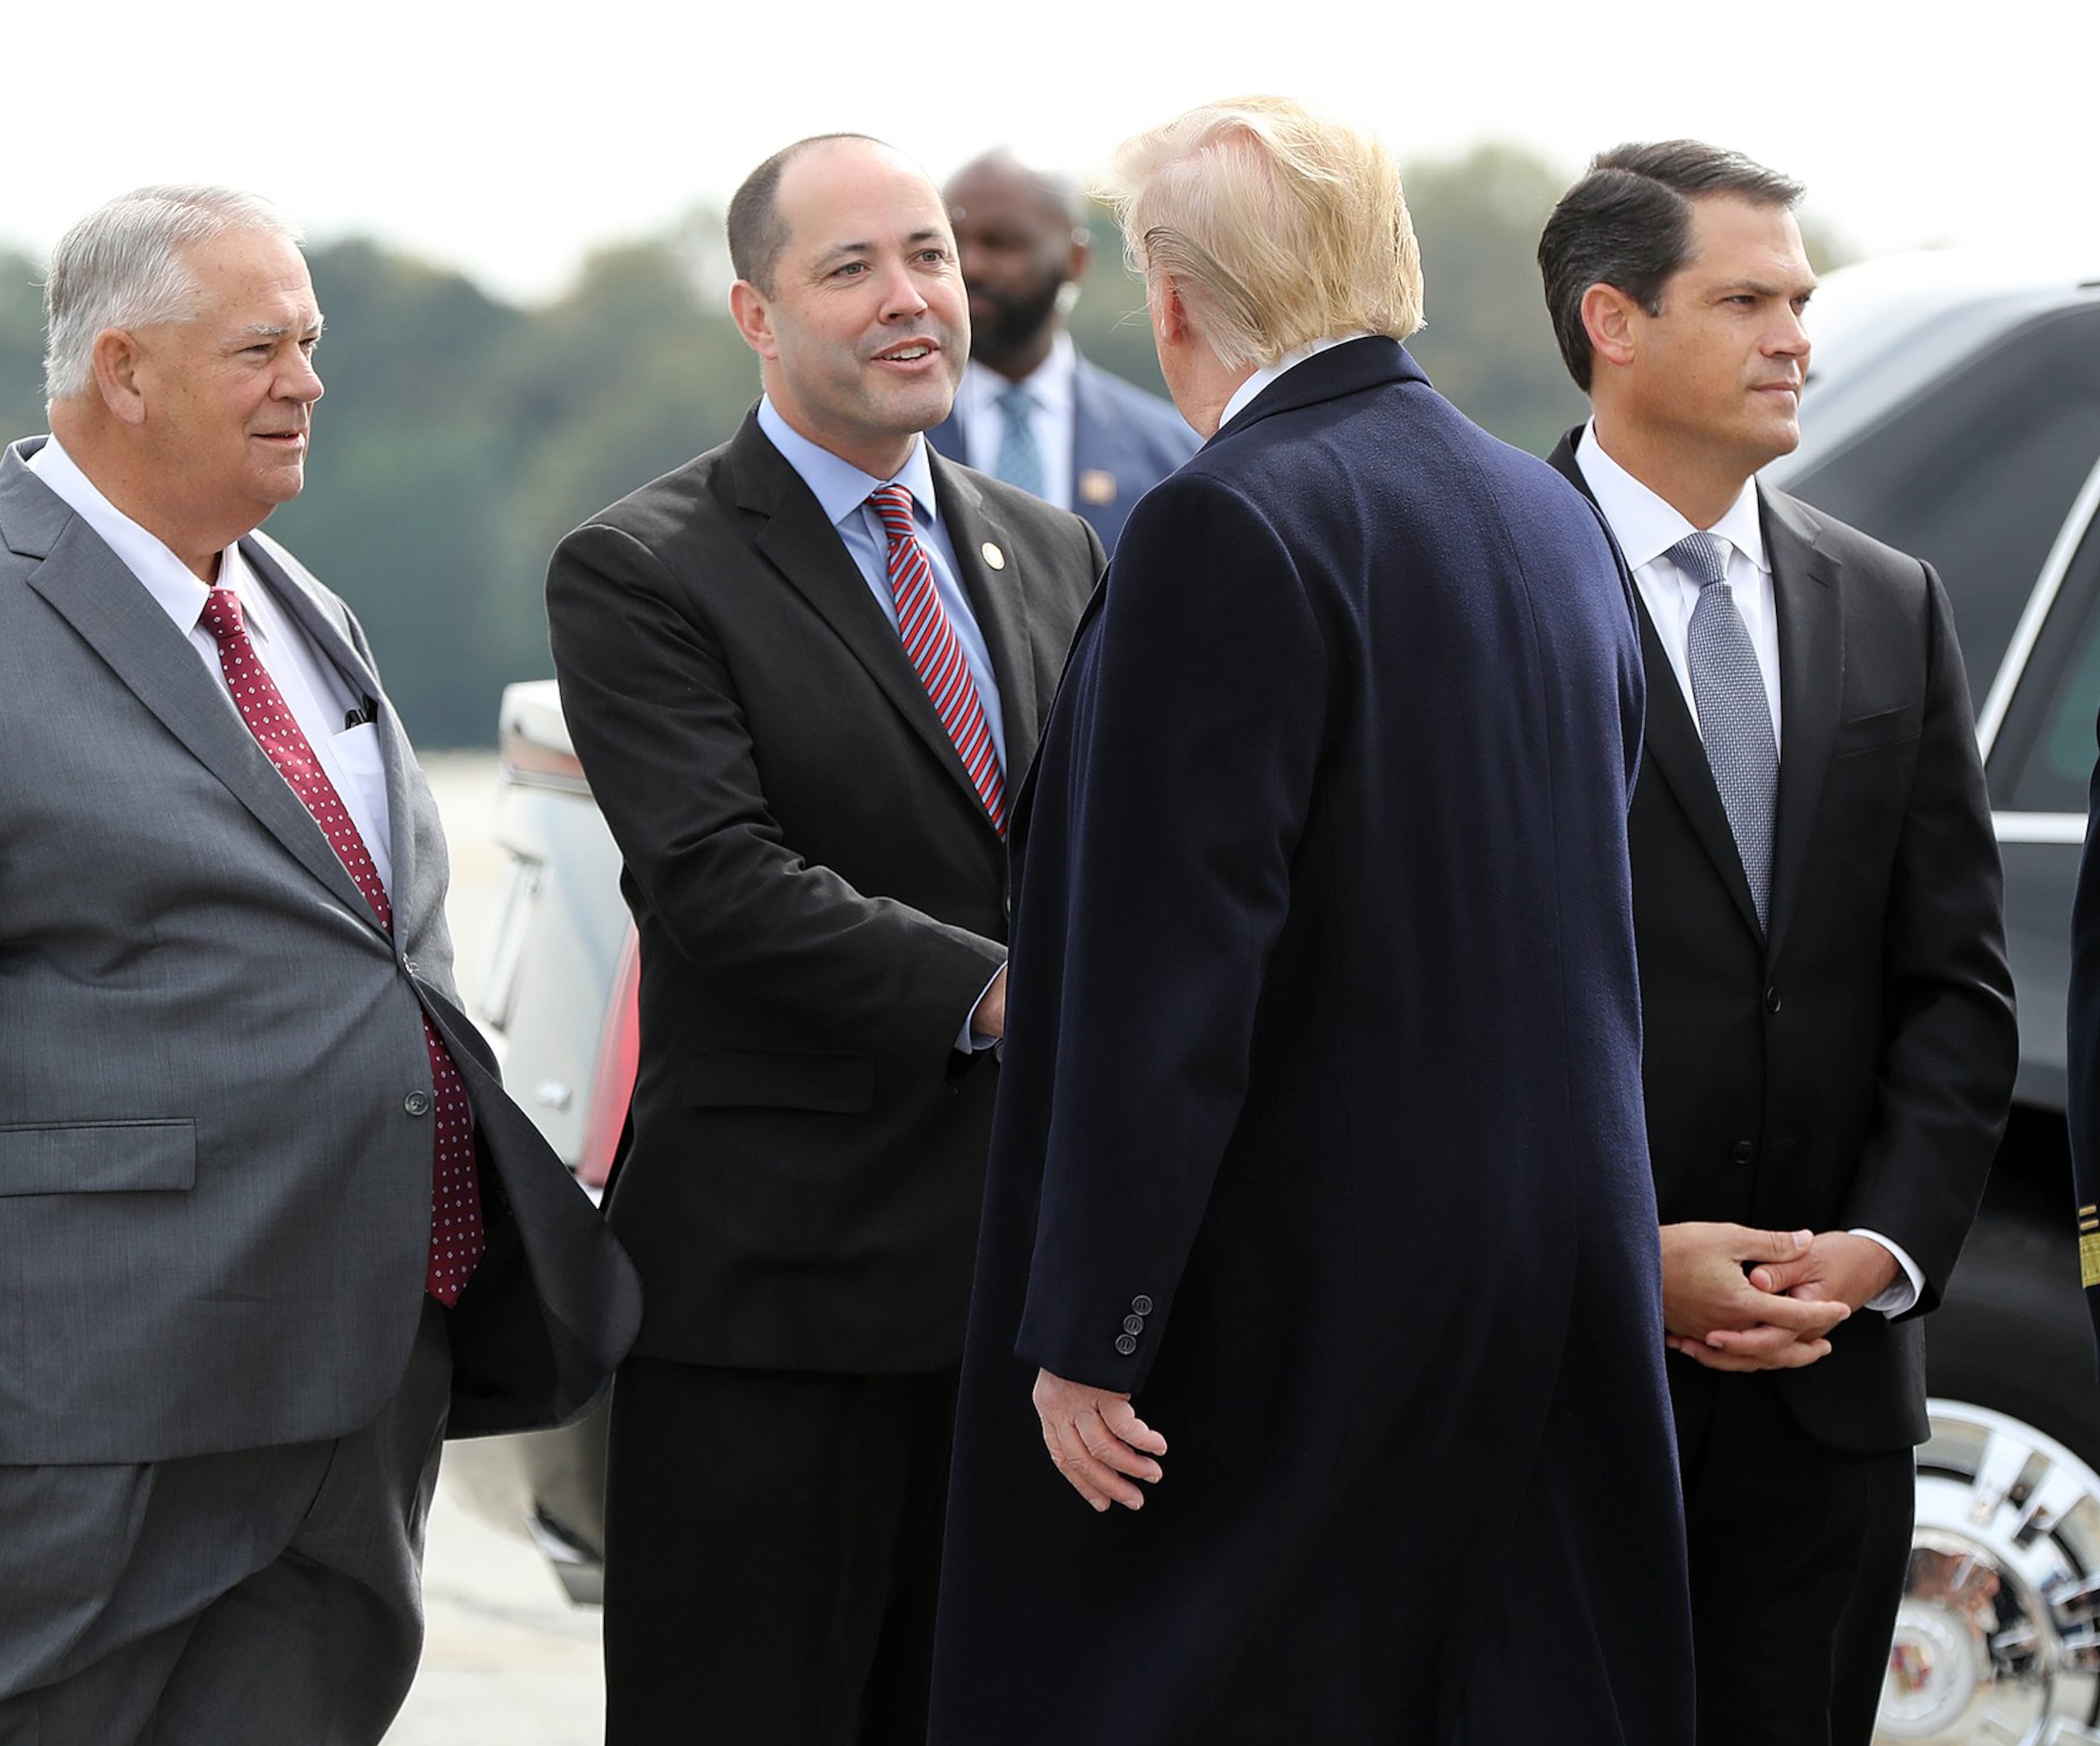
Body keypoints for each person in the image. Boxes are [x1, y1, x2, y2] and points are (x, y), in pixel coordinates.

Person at [0, 185, 638, 1746]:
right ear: (124, 370)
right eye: (260, 348)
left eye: (309, 341)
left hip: (348, 1385)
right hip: (73, 1409)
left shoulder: (305, 609)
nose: (305, 380)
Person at [930, 96, 1695, 1744]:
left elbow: (1172, 971)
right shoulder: (1552, 516)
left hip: (1301, 1306)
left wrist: (1093, 1319)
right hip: (1553, 1275)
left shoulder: (1231, 517)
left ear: (1178, 298)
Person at [546, 134, 1103, 1745]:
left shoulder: (1050, 547)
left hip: (1020, 1305)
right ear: (754, 312)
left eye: (926, 257)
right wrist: (1015, 998)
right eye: (849, 269)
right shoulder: (644, 568)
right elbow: (719, 879)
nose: (910, 299)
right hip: (772, 1314)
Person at [1538, 141, 2014, 1745]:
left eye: (1798, 301)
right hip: (1551, 1383)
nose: (1791, 339)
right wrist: (1614, 1261)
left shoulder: (1890, 602)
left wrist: (1878, 1254)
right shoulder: (1473, 594)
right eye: (1743, 301)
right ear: (1609, 318)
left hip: (1829, 1400)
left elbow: (1952, 982)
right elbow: (1420, 1011)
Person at [929, 150, 1196, 551]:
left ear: (1076, 260)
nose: (971, 266)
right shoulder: (885, 438)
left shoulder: (1174, 457)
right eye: (948, 245)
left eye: (1001, 243)